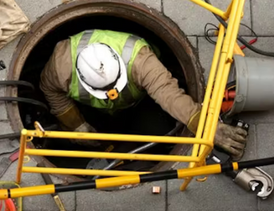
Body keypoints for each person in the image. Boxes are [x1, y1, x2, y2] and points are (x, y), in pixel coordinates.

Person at [39, 29, 248, 160]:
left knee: (155, 131)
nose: (112, 94)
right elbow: (51, 92)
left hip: (139, 104)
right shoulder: (59, 66)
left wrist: (207, 127)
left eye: (113, 86)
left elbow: (168, 94)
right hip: (98, 110)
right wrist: (77, 126)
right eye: (105, 91)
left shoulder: (140, 60)